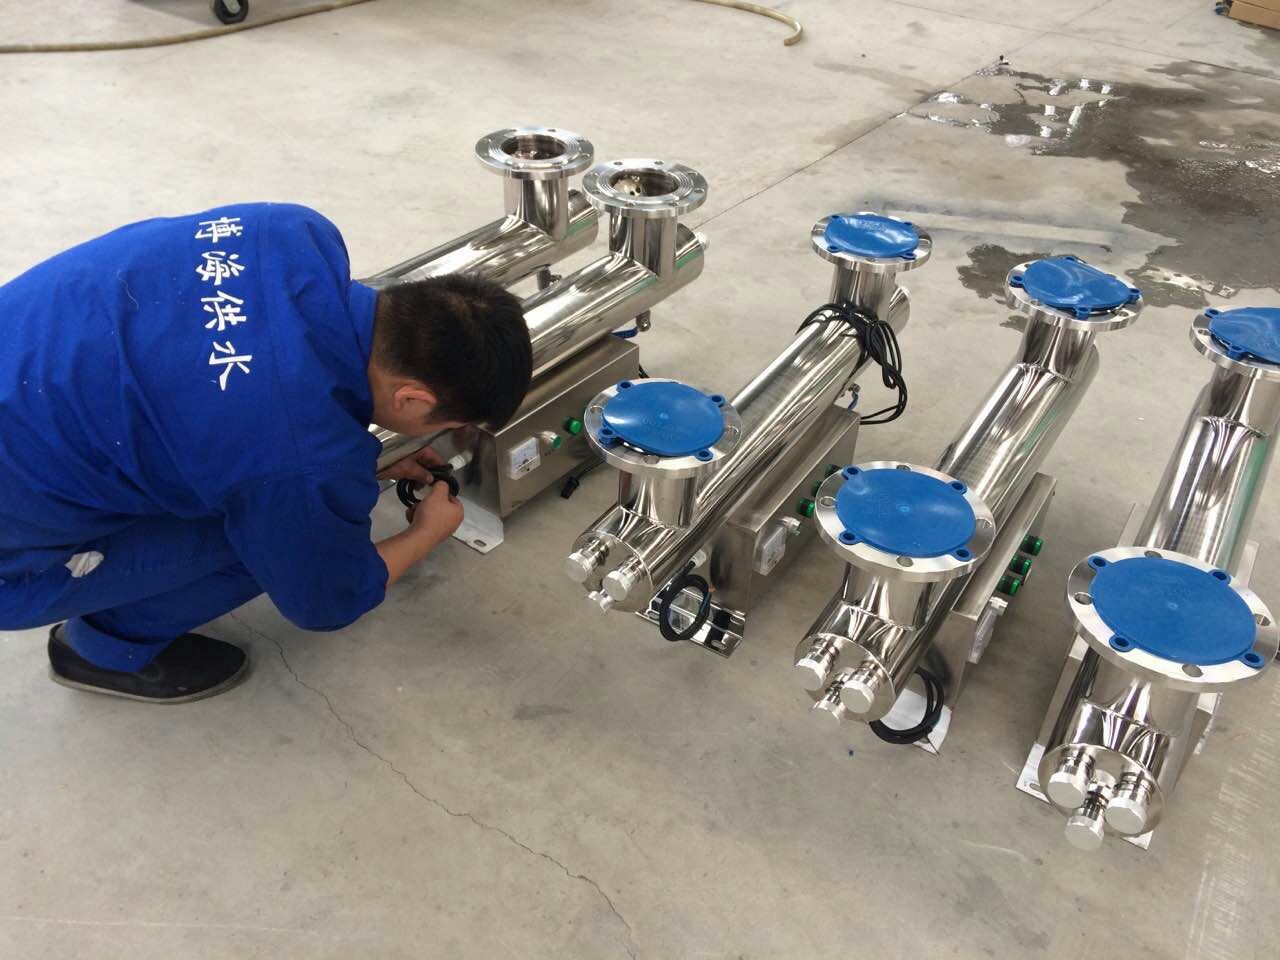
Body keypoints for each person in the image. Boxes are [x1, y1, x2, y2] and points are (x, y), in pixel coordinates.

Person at [0, 203, 531, 703]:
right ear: (412, 398)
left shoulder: (290, 231)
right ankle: (101, 650)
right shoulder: (300, 456)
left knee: (264, 497)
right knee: (274, 541)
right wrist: (425, 533)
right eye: (450, 424)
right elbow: (328, 600)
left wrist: (337, 467)